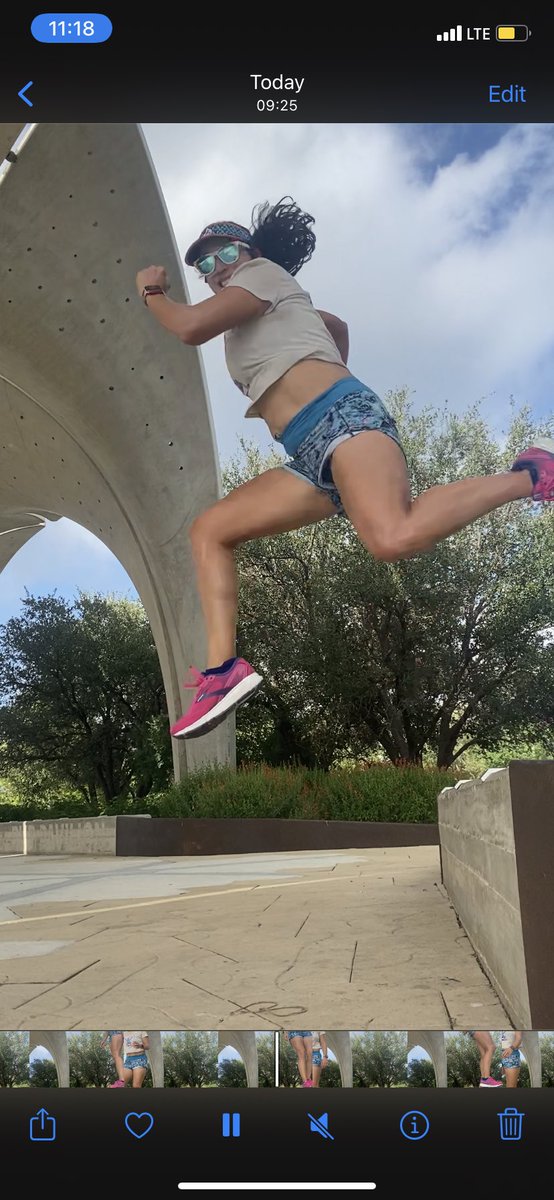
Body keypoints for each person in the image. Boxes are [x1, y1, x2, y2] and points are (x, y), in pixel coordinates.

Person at [136, 198, 554, 740]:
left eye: (224, 255)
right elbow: (335, 323)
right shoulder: (264, 303)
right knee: (210, 530)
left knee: (391, 536)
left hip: (342, 419)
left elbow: (189, 327)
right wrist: (331, 357)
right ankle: (222, 672)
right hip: (309, 453)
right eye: (205, 266)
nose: (215, 271)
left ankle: (532, 472)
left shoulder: (262, 274)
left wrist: (153, 291)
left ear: (251, 252)